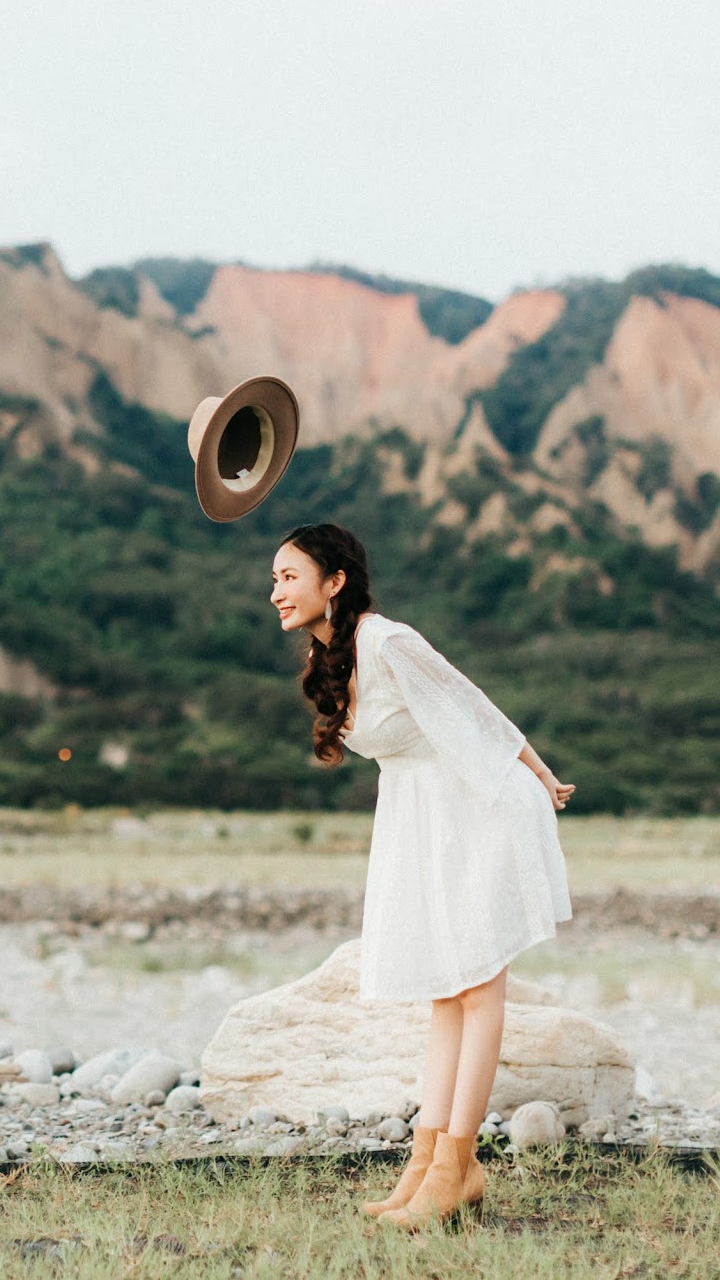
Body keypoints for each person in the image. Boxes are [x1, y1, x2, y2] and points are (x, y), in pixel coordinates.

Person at [268, 522, 572, 1229]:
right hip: (424, 814)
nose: (276, 591)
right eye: (275, 579)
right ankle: (426, 1163)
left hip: (480, 808)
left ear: (334, 581)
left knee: (476, 987)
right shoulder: (331, 654)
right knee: (444, 989)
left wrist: (542, 776)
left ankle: (457, 1165)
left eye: (289, 576)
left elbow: (473, 706)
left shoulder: (385, 640)